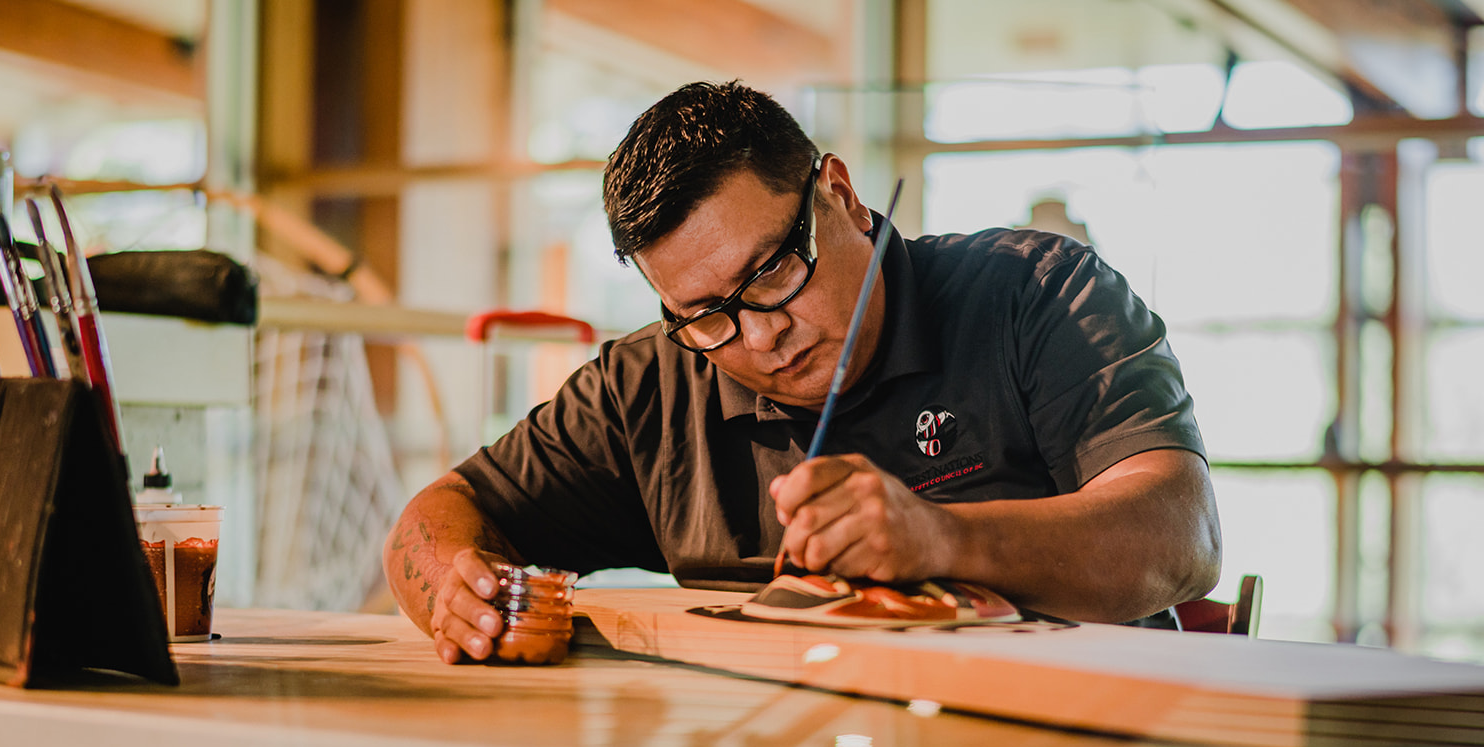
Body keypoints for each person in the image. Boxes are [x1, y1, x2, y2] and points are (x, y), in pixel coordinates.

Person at [384, 81, 1221, 664]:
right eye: (709, 313)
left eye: (775, 271)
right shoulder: (651, 385)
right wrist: (456, 592)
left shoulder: (1036, 297)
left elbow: (1182, 538)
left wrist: (945, 539)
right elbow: (436, 518)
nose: (762, 334)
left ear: (842, 197)